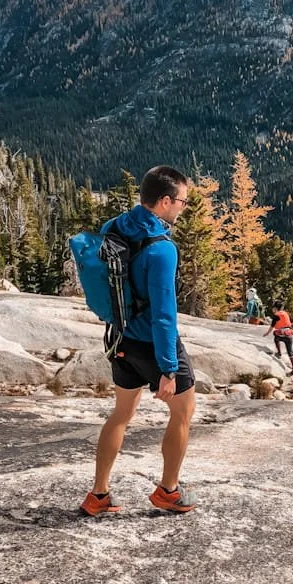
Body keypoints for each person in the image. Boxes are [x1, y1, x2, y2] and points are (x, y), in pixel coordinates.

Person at [80, 165, 199, 516]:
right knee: (183, 412)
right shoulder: (162, 250)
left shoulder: (114, 226)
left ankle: (98, 495)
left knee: (121, 414)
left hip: (120, 339)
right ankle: (169, 491)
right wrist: (168, 369)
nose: (183, 208)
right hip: (151, 343)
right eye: (182, 202)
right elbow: (164, 315)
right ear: (164, 201)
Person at [263, 301, 293, 374]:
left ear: (275, 308)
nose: (272, 309)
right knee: (290, 352)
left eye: (273, 308)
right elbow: (292, 322)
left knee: (275, 336)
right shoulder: (286, 313)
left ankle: (279, 353)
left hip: (281, 334)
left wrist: (267, 333)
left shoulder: (276, 315)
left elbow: (272, 326)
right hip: (289, 335)